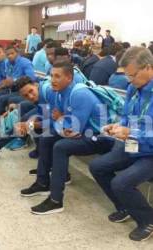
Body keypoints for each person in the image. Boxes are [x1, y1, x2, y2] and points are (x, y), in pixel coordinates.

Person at [20, 60, 114, 215]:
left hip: (100, 137)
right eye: (51, 76)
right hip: (85, 132)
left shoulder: (79, 94)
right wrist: (58, 120)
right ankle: (43, 182)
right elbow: (63, 124)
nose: (53, 80)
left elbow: (74, 129)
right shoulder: (59, 94)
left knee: (61, 147)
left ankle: (56, 200)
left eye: (58, 76)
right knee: (46, 137)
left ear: (69, 78)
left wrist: (60, 119)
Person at [89, 47, 153, 242]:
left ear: (148, 68)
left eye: (132, 75)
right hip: (133, 145)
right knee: (97, 166)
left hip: (149, 152)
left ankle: (147, 220)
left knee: (121, 182)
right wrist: (118, 126)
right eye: (127, 76)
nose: (129, 80)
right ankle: (124, 206)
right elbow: (127, 117)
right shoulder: (134, 89)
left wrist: (131, 133)